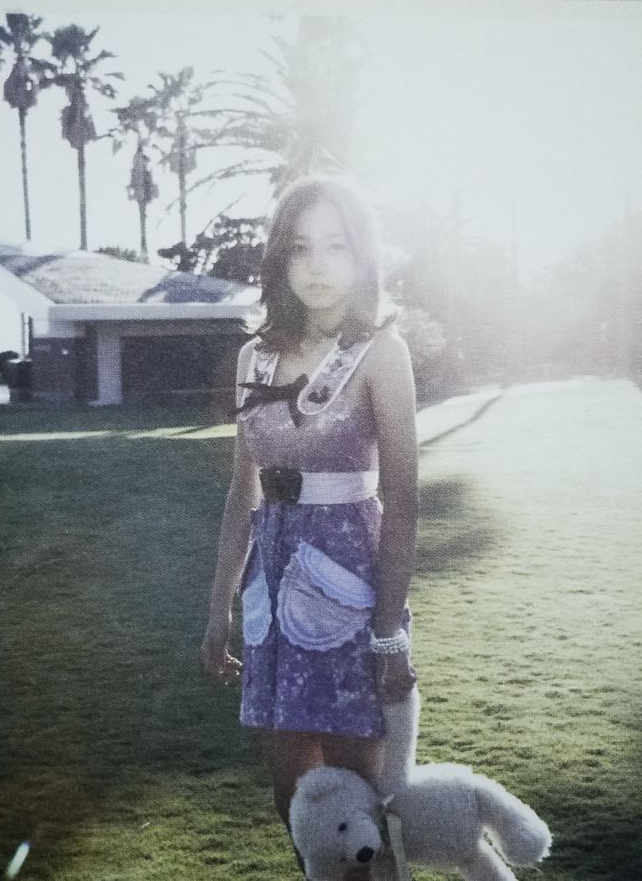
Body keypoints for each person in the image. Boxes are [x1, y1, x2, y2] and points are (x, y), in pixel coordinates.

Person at [201, 174, 419, 878]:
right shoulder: (253, 356)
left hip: (351, 596)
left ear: (363, 255)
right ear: (279, 258)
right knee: (297, 801)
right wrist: (218, 611)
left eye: (336, 245)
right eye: (300, 247)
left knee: (364, 800)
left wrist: (389, 632)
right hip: (271, 600)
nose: (317, 265)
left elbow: (404, 501)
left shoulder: (381, 352)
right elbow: (243, 493)